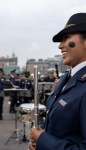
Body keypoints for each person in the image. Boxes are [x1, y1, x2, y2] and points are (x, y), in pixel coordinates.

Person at [29, 12, 86, 150]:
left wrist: (42, 139)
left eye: (66, 38)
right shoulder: (67, 78)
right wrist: (40, 137)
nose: (60, 46)